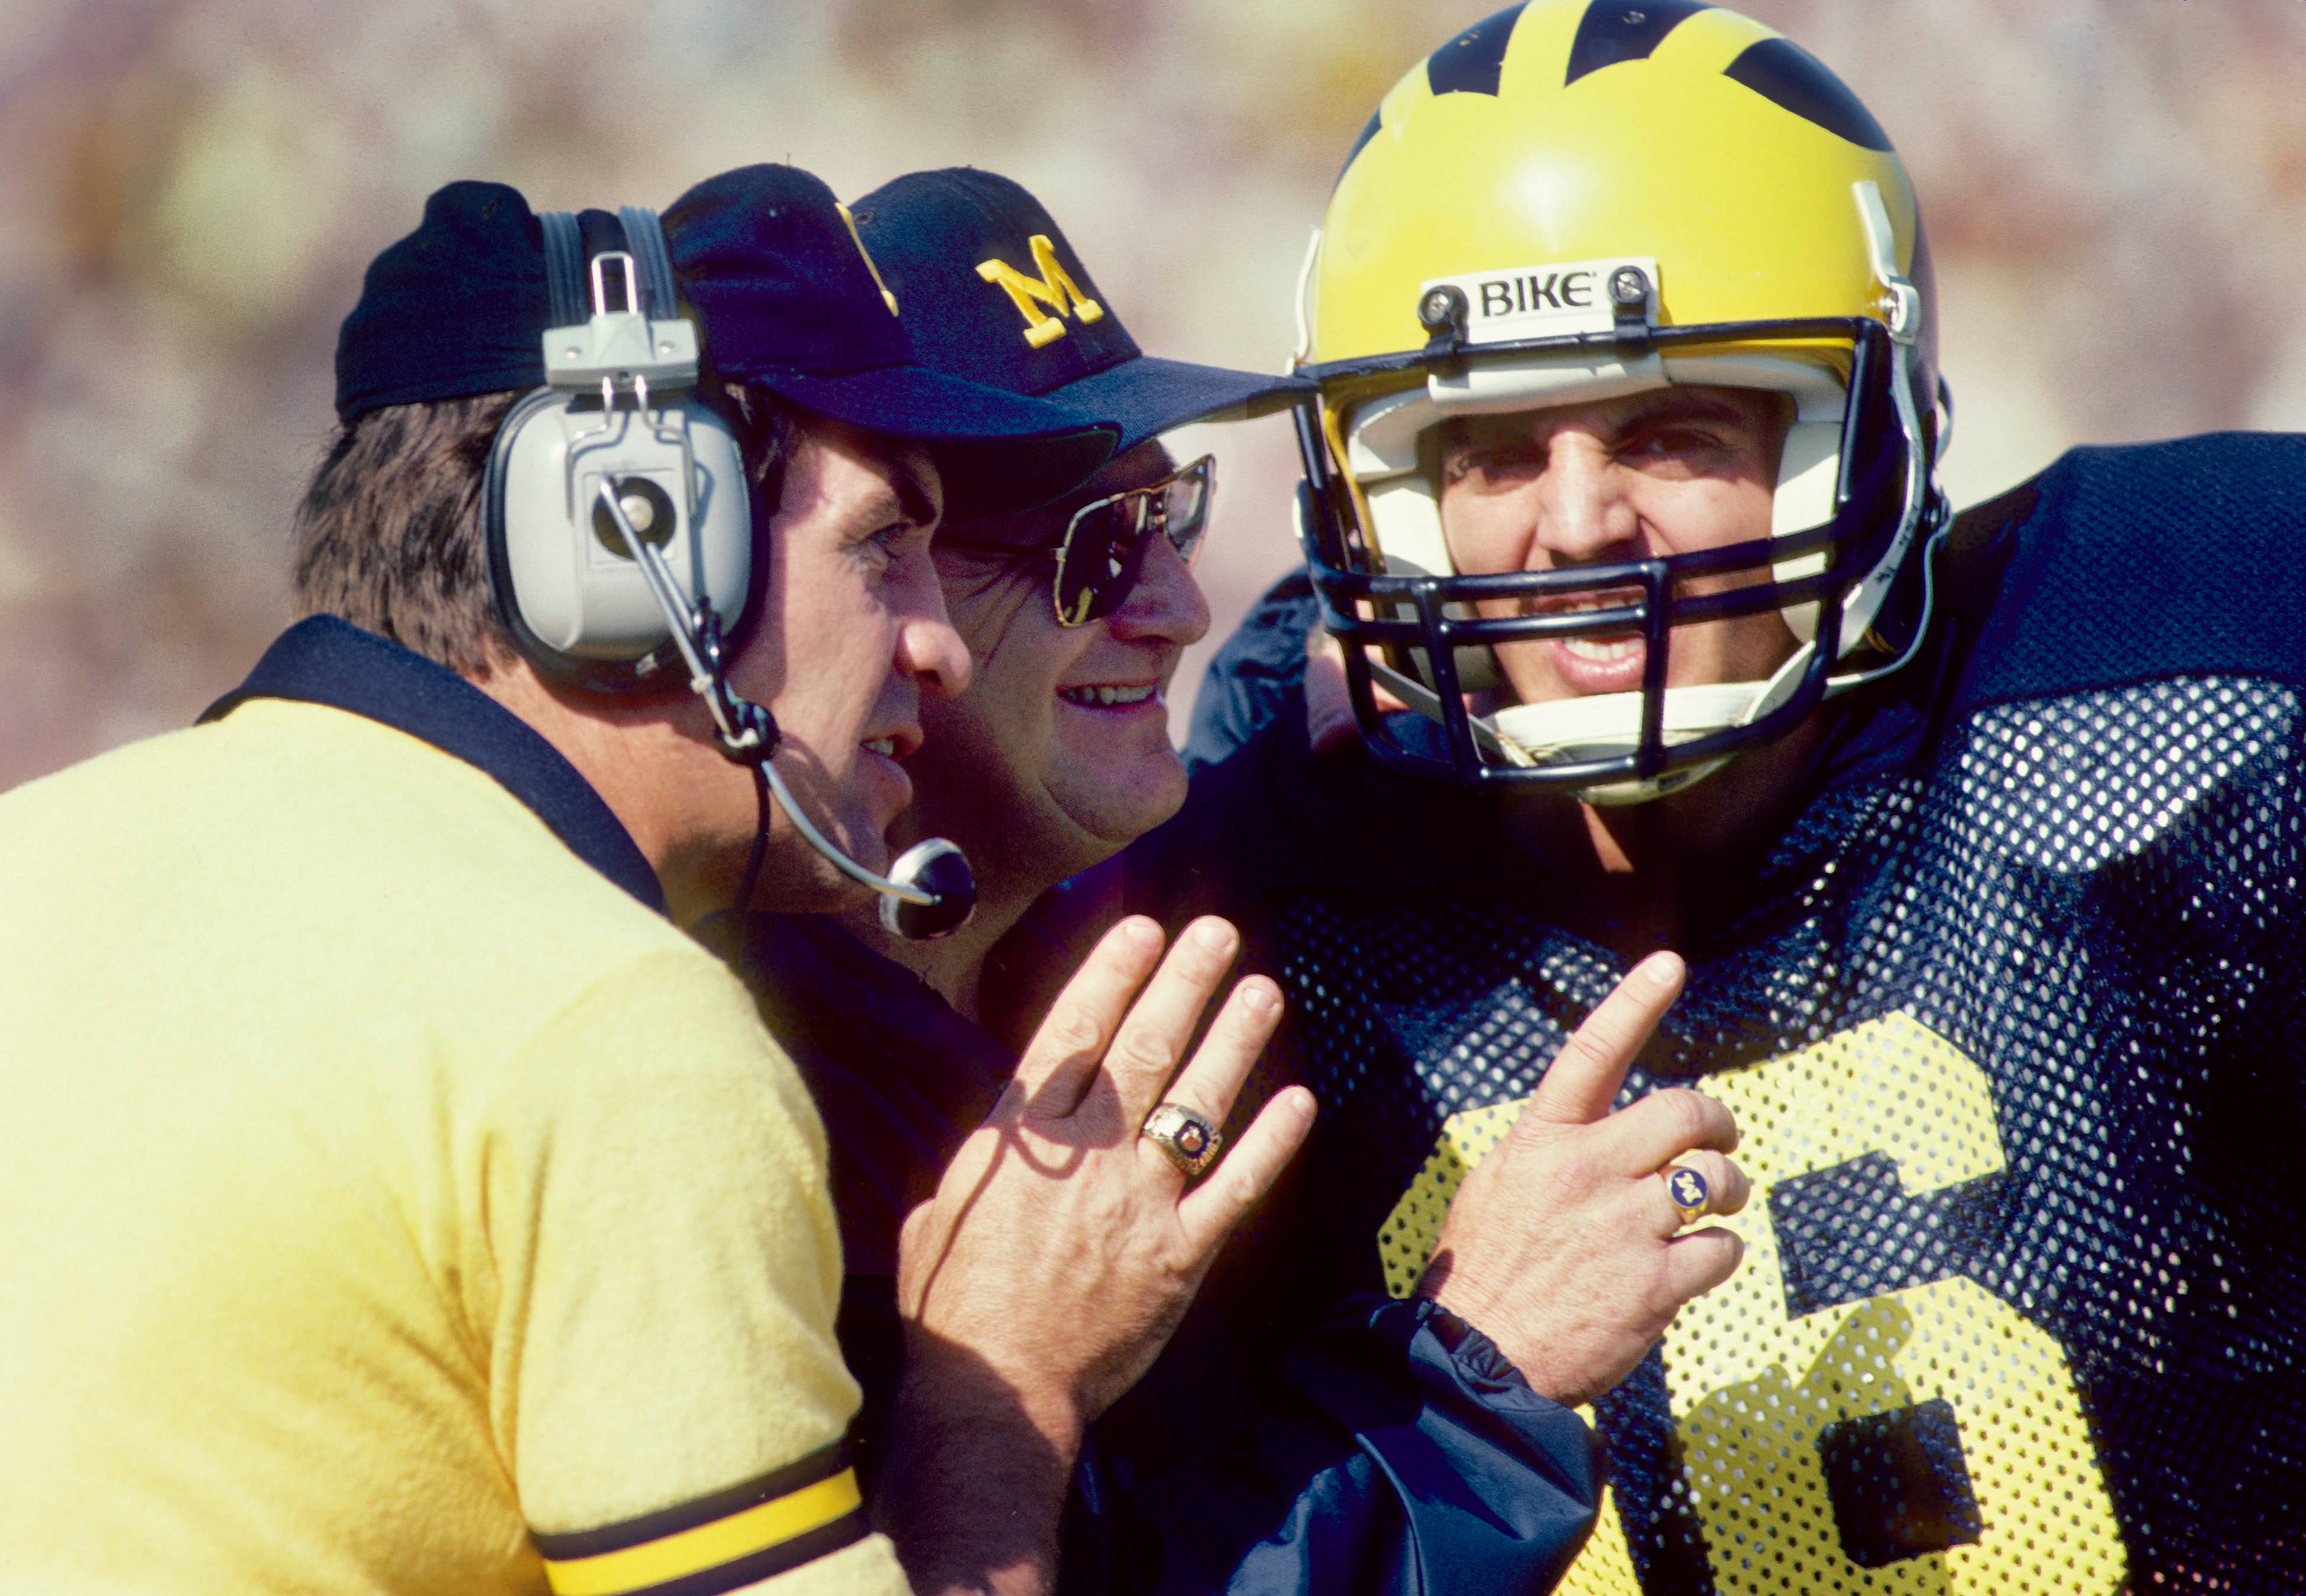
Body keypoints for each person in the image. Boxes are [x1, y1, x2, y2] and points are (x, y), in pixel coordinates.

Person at [0, 162, 1310, 1596]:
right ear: (635, 541)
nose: (931, 644)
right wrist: (1006, 1387)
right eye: (887, 545)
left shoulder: (38, 847)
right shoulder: (614, 1027)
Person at [1151, 1, 2306, 1590]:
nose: (1576, 523)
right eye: (1488, 450)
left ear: (1862, 441)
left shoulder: (2186, 685)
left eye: (1671, 429)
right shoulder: (1260, 902)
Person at [710, 166, 1757, 1595]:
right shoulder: (730, 1118)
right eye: (1093, 552)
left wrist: (1352, 657)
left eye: (1172, 517)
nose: (1177, 606)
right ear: (879, 587)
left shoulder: (1078, 927)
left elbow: (1222, 754)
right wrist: (1478, 1374)